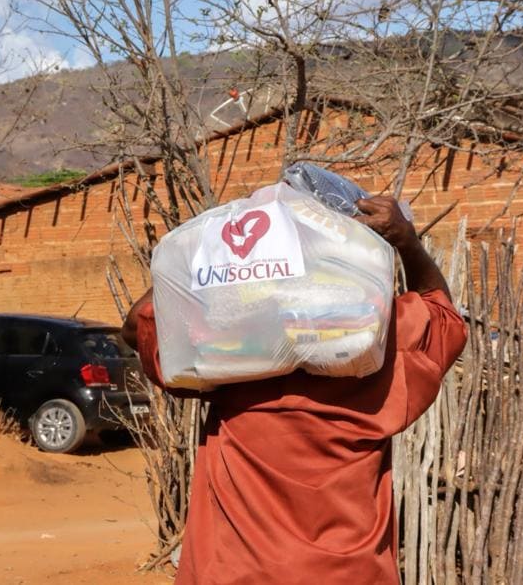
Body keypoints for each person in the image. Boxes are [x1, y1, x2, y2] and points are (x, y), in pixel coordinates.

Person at [121, 195, 468, 585]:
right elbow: (445, 318)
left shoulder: (233, 345)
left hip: (235, 573)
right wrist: (408, 243)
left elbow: (138, 325)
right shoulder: (378, 343)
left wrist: (219, 264)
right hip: (350, 574)